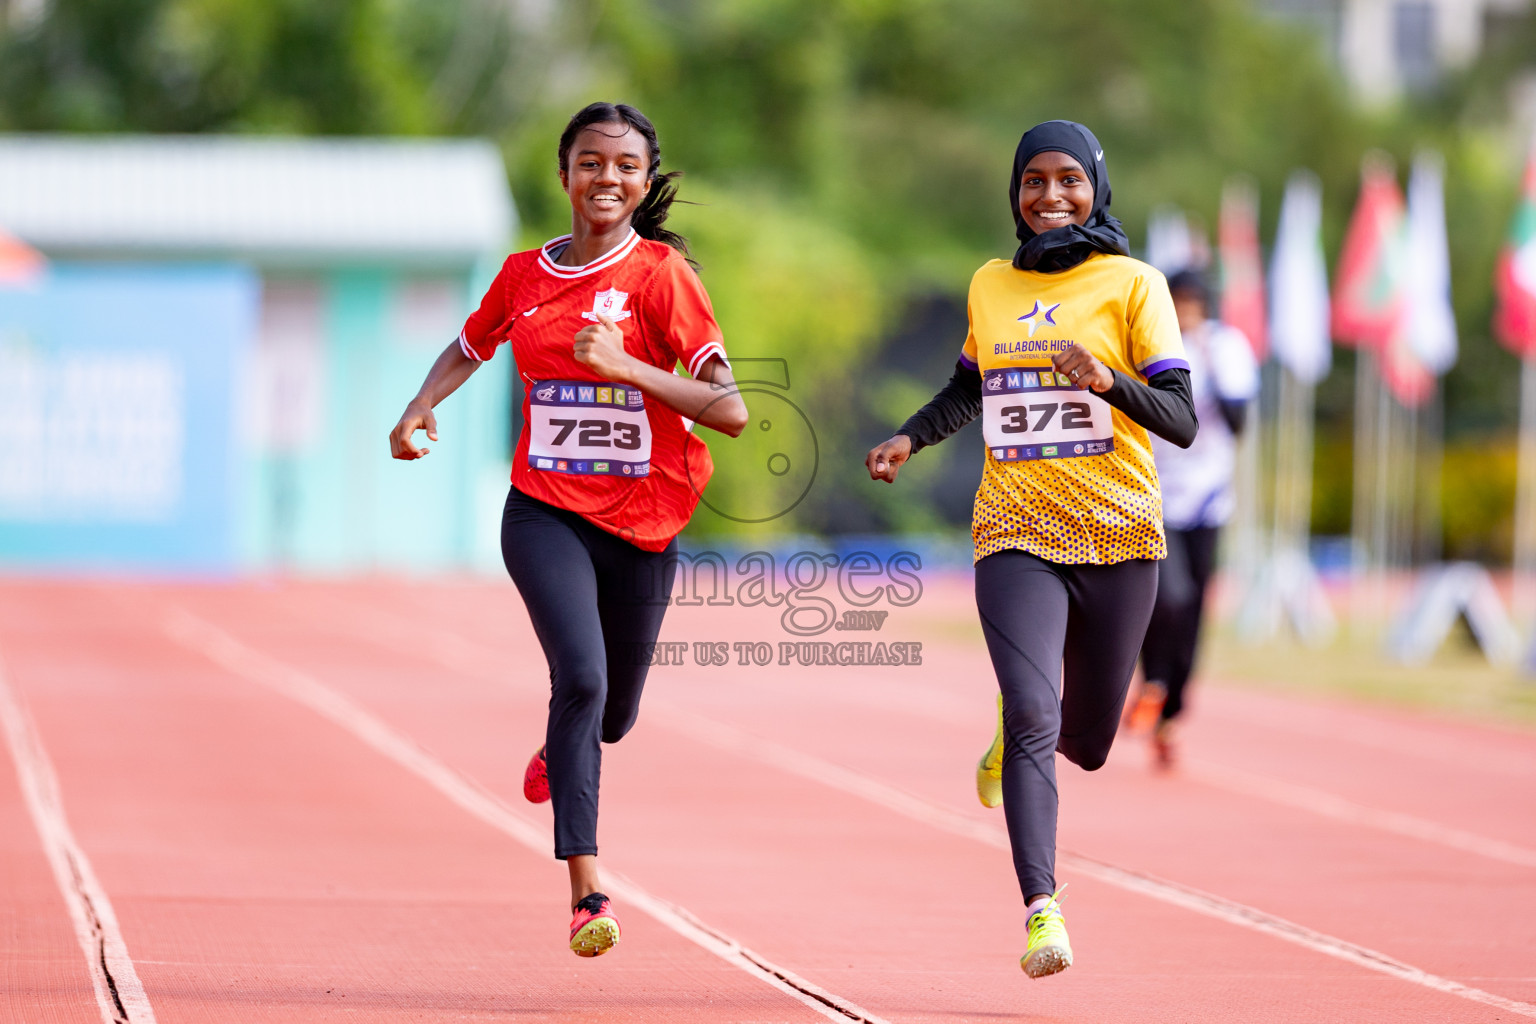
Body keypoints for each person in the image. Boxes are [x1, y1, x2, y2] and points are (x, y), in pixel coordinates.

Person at [389, 102, 747, 959]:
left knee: (613, 715)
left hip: (644, 524)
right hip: (543, 510)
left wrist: (626, 367)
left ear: (646, 181)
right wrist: (418, 404)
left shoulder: (663, 278)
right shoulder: (522, 276)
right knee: (579, 679)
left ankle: (564, 749)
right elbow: (470, 348)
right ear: (564, 174)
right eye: (591, 163)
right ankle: (589, 892)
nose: (607, 179)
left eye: (626, 166)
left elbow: (730, 411)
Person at [865, 121, 1196, 979]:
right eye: (1032, 182)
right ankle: (1041, 910)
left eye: (1067, 181)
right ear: (1014, 193)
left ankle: (1022, 719)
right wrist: (910, 438)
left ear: (1097, 187)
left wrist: (1105, 379)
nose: (1050, 197)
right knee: (1036, 716)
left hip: (1121, 534)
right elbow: (970, 386)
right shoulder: (990, 283)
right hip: (1014, 530)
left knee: (1084, 742)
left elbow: (1183, 420)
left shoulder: (1135, 284)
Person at [1127, 269, 1258, 768]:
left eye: (1193, 305)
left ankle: (1171, 712)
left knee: (1196, 608)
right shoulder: (1145, 342)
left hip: (1208, 498)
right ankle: (1153, 681)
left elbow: (1240, 422)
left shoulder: (1227, 348)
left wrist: (1206, 361)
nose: (1184, 315)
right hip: (1152, 492)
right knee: (1168, 596)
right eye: (1176, 304)